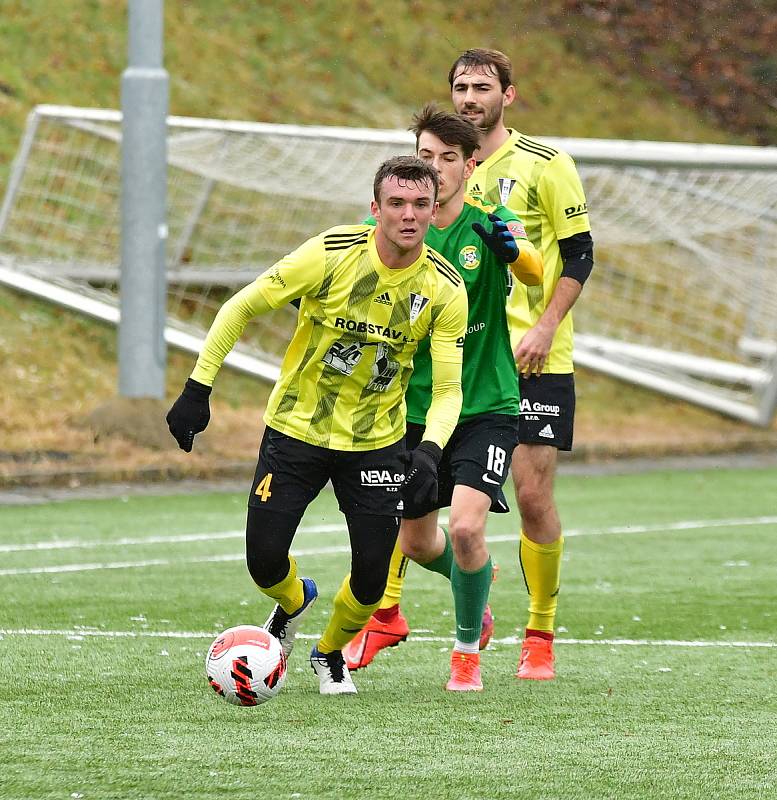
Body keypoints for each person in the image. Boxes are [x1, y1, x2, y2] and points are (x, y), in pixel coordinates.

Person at [166, 156, 468, 696]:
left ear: (435, 210)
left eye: (421, 204)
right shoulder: (329, 254)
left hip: (376, 443)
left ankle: (328, 653)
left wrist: (428, 451)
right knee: (263, 562)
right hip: (296, 429)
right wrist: (197, 387)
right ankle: (293, 599)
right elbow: (239, 307)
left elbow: (447, 391)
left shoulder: (446, 290)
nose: (409, 214)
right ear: (375, 208)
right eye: (396, 203)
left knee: (373, 575)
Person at [343, 105, 542, 691]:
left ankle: (465, 658)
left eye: (447, 159)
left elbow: (532, 271)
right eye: (425, 156)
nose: (433, 168)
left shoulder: (490, 219)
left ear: (469, 165)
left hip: (486, 403)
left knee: (464, 527)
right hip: (413, 408)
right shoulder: (400, 227)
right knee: (415, 539)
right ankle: (473, 583)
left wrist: (513, 252)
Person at [451, 48, 595, 680]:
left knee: (533, 495)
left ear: (508, 95)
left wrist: (543, 326)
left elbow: (581, 254)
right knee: (415, 492)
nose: (469, 98)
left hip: (536, 354)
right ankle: (387, 614)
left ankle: (539, 632)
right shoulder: (443, 167)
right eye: (460, 87)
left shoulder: (546, 163)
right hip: (461, 356)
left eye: (482, 87)